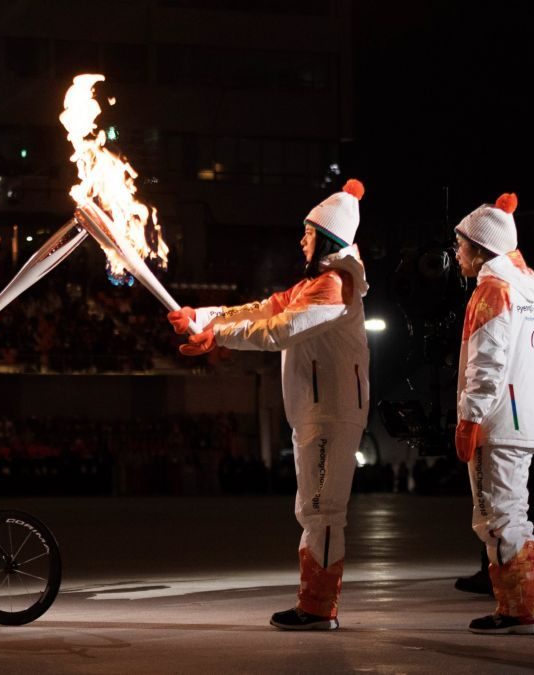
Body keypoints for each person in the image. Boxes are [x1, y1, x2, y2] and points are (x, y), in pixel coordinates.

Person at [168, 179, 369, 630]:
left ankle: (319, 608)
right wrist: (201, 317)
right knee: (314, 509)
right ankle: (315, 604)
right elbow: (262, 310)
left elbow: (278, 331)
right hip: (317, 411)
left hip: (332, 412)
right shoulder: (313, 284)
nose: (302, 239)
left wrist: (215, 335)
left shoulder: (334, 286)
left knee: (322, 510)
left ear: (329, 238)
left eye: (309, 232)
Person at [452, 192, 534, 635]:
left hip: (496, 421)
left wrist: (469, 419)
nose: (456, 255)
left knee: (497, 517)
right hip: (521, 418)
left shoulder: (493, 290)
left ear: (481, 249)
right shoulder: (524, 288)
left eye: (461, 245)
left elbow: (486, 363)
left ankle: (520, 612)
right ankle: (527, 607)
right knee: (514, 515)